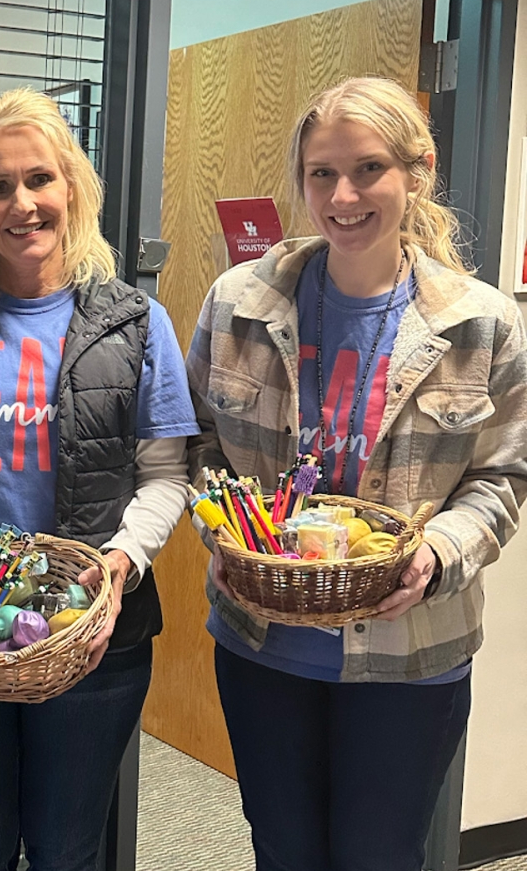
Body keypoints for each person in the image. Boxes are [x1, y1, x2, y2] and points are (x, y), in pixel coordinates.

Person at [186, 76, 527, 871]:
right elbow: (198, 446)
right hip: (263, 642)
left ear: (417, 173)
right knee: (284, 852)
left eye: (368, 168)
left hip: (411, 656)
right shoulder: (239, 300)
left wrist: (437, 553)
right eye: (321, 173)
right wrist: (229, 533)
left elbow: (503, 478)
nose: (343, 195)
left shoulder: (481, 323)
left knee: (379, 857)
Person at [0, 87, 197, 871]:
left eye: (39, 180)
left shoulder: (135, 322)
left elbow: (166, 476)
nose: (21, 203)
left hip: (95, 637)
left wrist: (118, 564)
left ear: (72, 190)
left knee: (65, 851)